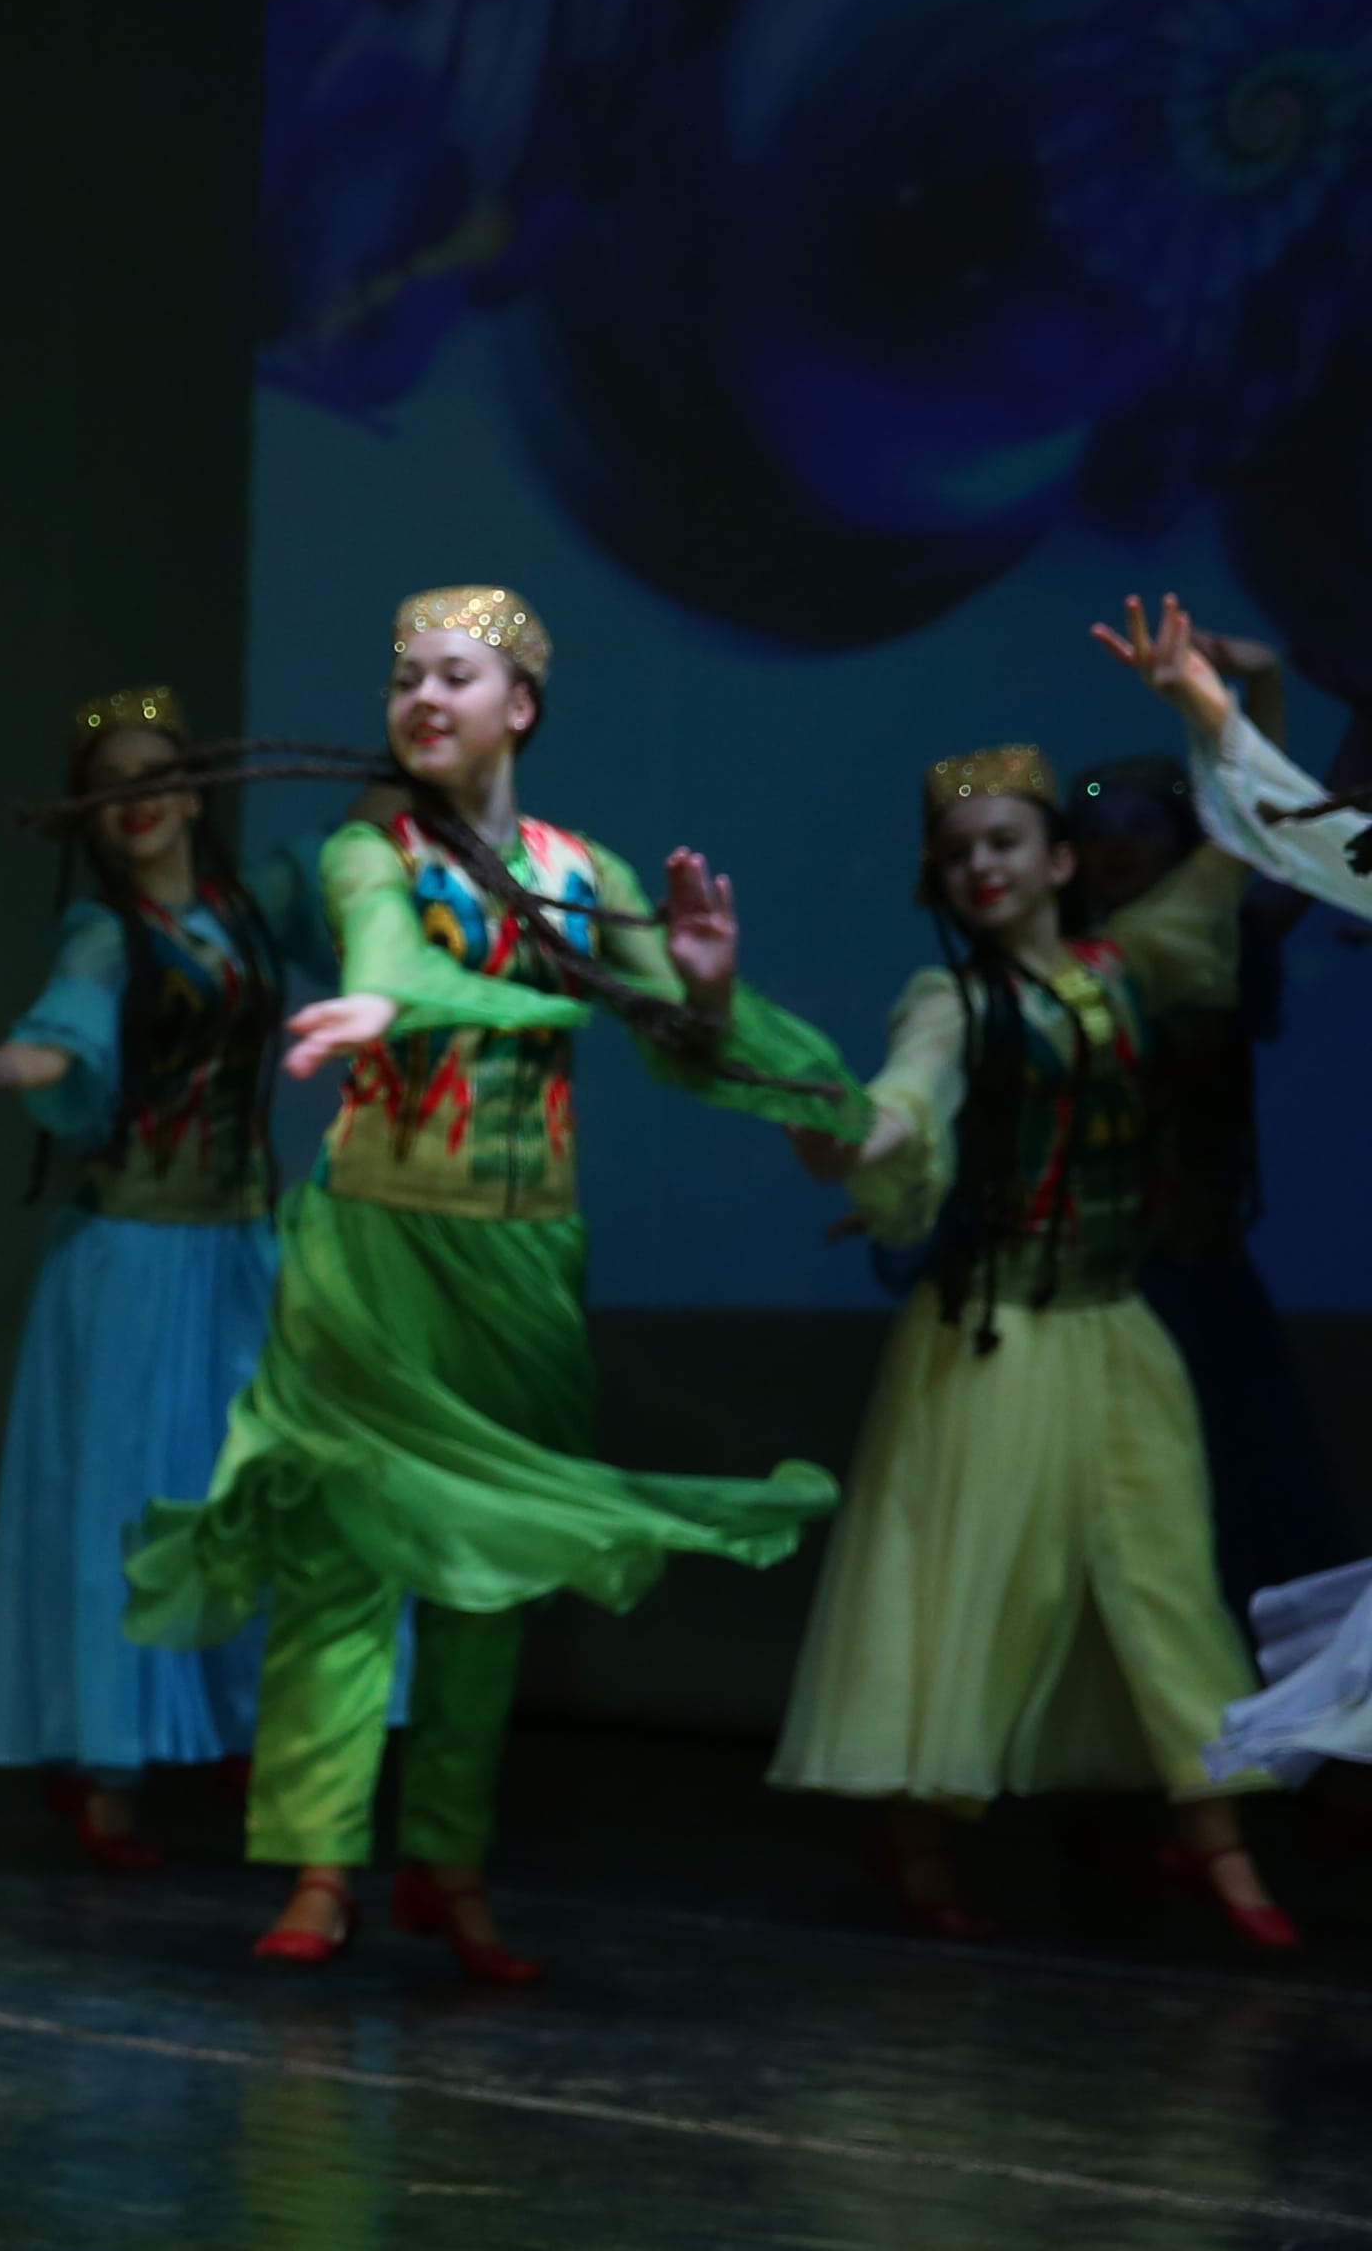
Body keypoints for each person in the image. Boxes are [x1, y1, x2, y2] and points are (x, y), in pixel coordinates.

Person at [129, 585, 857, 1981]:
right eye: (404, 675)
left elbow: (683, 1043)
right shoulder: (371, 850)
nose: (422, 698)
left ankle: (448, 1864)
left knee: (492, 1572)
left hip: (523, 1254)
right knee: (341, 1552)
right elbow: (387, 944)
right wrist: (386, 996)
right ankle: (322, 1866)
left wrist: (705, 990)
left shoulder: (584, 869)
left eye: (454, 676)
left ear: (519, 706)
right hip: (373, 1245)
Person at [771, 743, 1291, 1942]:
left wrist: (1239, 706)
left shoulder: (1134, 962)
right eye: (958, 855)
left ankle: (1224, 1846)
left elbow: (1237, 846)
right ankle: (915, 1840)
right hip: (990, 1335)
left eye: (1004, 843)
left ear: (1061, 861)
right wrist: (850, 1141)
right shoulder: (950, 1000)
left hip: (1112, 1332)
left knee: (1167, 1587)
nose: (982, 868)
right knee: (960, 1593)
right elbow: (908, 1097)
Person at [0, 686, 330, 1870]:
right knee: (127, 1512)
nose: (134, 803)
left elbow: (364, 852)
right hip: (133, 1256)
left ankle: (245, 1726)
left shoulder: (259, 903)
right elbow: (62, 1041)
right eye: (108, 790)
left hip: (244, 1249)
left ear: (194, 793)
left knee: (252, 1494)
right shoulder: (104, 934)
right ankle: (104, 1763)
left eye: (153, 778)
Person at [1105, 598, 1372, 1798]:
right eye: (1101, 826)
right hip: (1120, 1276)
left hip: (1200, 1267)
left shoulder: (1204, 914)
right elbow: (1331, 846)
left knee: (1253, 1498)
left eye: (1140, 822)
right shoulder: (1081, 949)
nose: (1119, 841)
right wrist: (1222, 708)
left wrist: (1237, 706)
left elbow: (1309, 847)